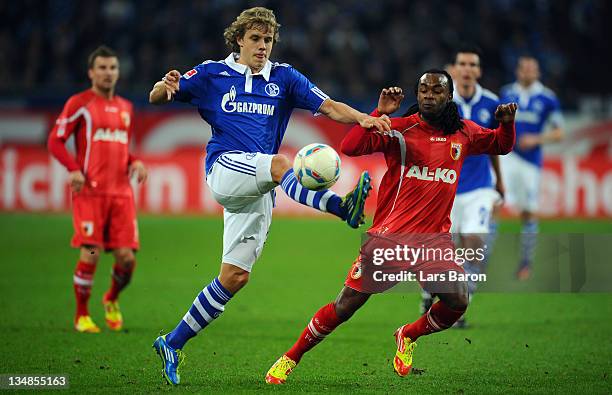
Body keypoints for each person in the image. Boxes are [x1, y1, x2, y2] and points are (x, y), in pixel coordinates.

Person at [147, 7, 390, 385]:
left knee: (234, 277)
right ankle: (341, 207)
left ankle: (172, 343)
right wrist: (167, 85)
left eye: (268, 40)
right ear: (239, 39)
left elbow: (327, 106)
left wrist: (362, 117)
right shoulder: (212, 73)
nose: (263, 47)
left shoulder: (284, 78)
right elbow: (157, 95)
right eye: (256, 39)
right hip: (225, 169)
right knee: (279, 164)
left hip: (256, 188)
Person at [265, 70, 517, 384]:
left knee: (458, 302)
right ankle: (291, 357)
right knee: (345, 307)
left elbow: (500, 145)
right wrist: (379, 113)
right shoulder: (399, 129)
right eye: (423, 89)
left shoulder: (463, 133)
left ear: (449, 97)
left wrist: (506, 124)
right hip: (389, 239)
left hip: (433, 242)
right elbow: (351, 146)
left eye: (436, 90)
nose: (428, 95)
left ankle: (408, 335)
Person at [47, 45, 147, 333]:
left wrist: (135, 162)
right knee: (90, 251)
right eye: (102, 68)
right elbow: (56, 140)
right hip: (90, 192)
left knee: (127, 260)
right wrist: (73, 169)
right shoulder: (80, 103)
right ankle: (81, 315)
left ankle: (111, 298)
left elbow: (120, 149)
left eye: (112, 68)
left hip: (121, 194)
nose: (108, 73)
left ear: (118, 72)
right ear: (91, 72)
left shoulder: (126, 108)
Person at [421, 46, 504, 328]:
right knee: (444, 247)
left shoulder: (492, 103)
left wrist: (499, 181)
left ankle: (459, 307)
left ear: (478, 71)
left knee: (474, 242)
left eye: (472, 64)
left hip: (479, 187)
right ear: (455, 69)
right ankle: (427, 294)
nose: (467, 68)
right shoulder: (442, 103)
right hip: (446, 187)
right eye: (462, 64)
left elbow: (495, 144)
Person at [500, 56, 564, 280]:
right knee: (493, 203)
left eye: (531, 69)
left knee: (528, 212)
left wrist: (536, 139)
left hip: (530, 162)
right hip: (507, 157)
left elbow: (559, 132)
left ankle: (525, 262)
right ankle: (479, 257)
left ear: (537, 72)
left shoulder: (547, 98)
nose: (527, 72)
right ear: (518, 71)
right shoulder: (507, 92)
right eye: (523, 68)